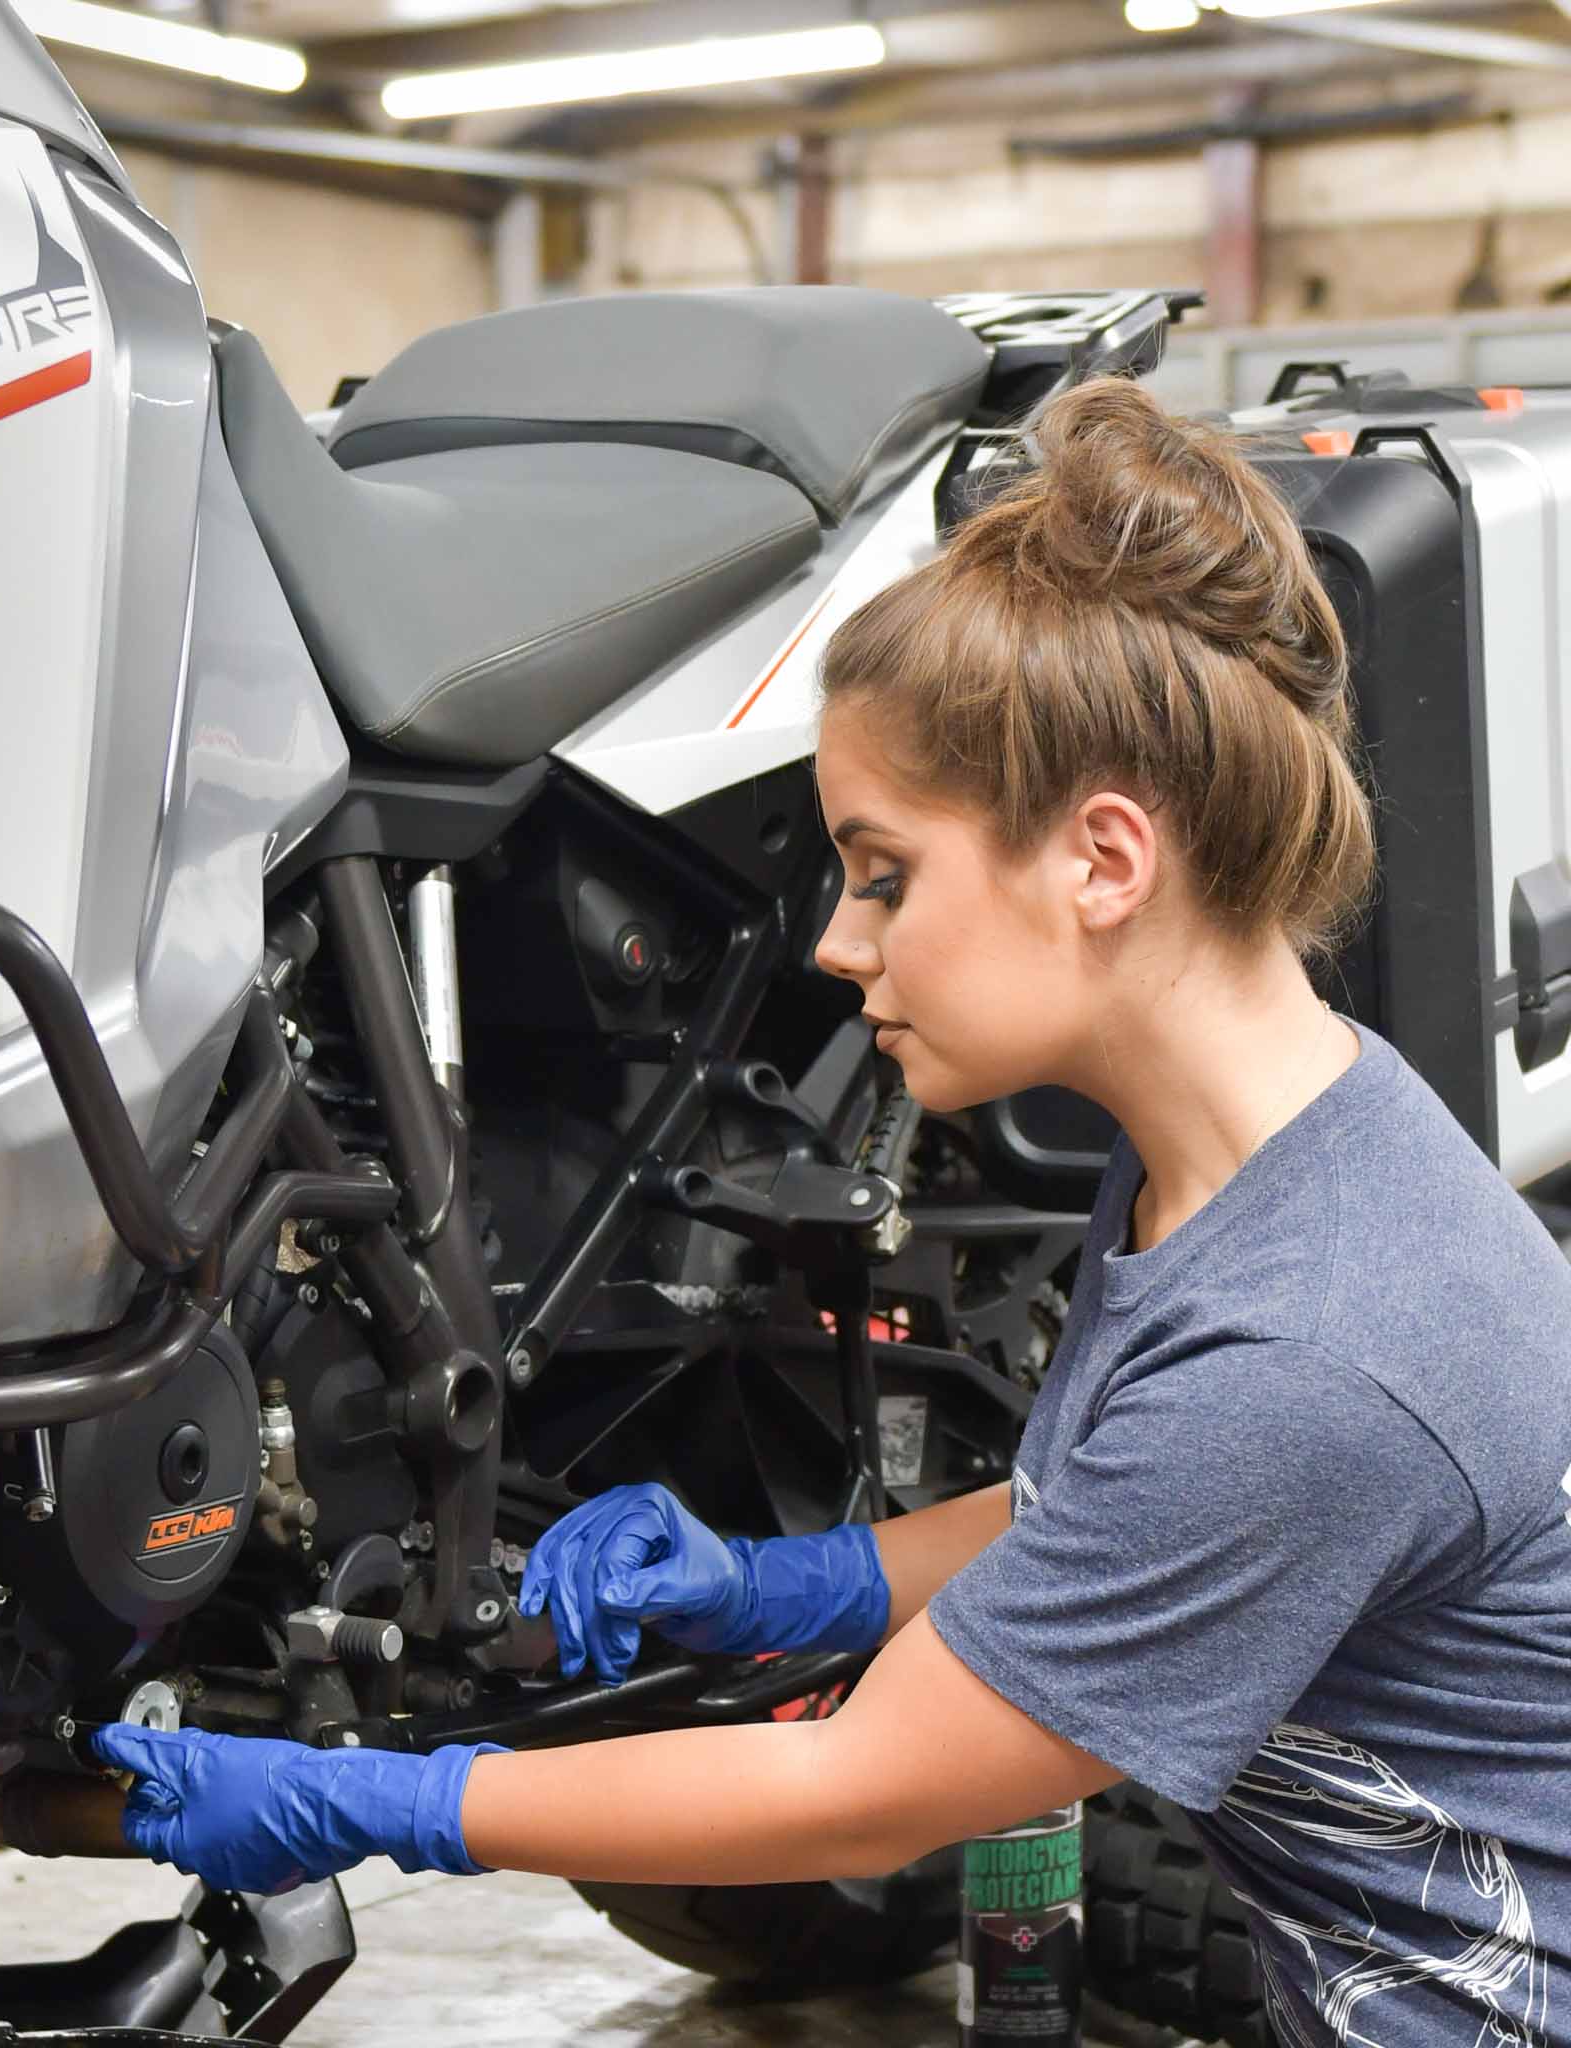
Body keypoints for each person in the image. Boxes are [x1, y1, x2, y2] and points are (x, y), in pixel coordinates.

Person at [92, 377, 1571, 2047]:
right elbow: (1103, 1514)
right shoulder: (1262, 1152)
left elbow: (857, 1791)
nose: (837, 944)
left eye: (883, 875)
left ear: (1102, 859)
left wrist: (399, 1804)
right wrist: (789, 1585)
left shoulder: (1315, 1344)